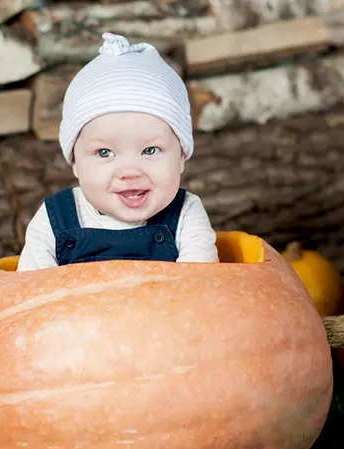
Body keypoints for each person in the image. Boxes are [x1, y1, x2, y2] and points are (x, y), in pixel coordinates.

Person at [16, 32, 219, 271]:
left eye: (150, 150)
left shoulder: (186, 214)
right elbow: (31, 296)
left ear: (181, 156)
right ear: (75, 161)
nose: (130, 172)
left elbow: (200, 289)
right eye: (104, 153)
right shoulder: (54, 220)